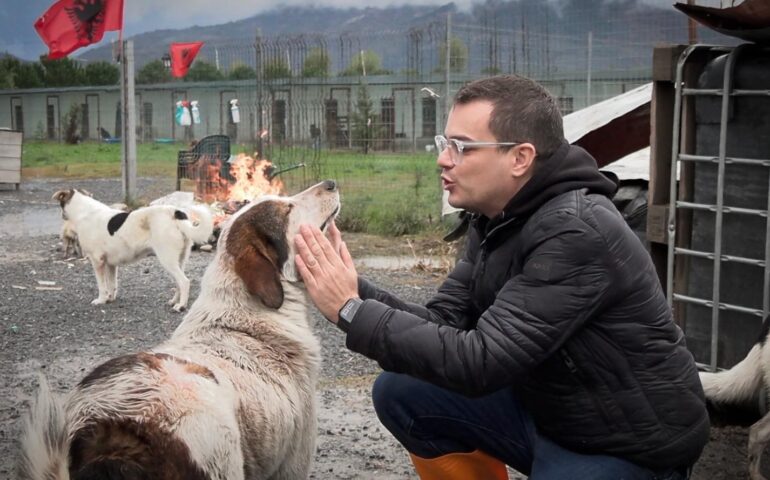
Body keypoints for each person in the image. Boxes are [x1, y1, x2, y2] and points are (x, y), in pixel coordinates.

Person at [294, 74, 709, 480]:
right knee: (401, 390)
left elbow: (480, 362)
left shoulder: (576, 231)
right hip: (550, 411)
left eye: (461, 147)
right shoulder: (496, 217)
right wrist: (352, 289)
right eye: (444, 143)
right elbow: (443, 322)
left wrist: (350, 310)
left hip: (625, 444)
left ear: (520, 158)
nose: (443, 159)